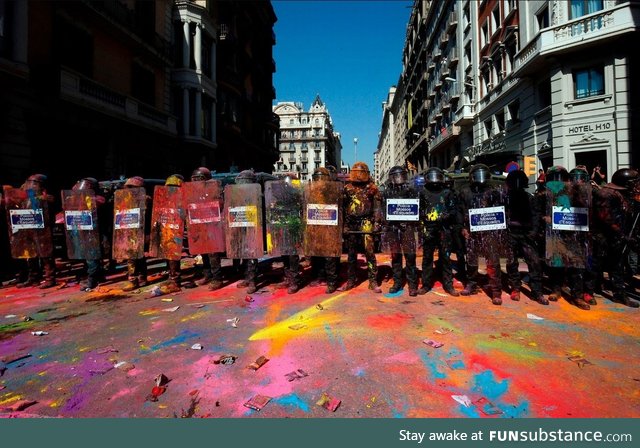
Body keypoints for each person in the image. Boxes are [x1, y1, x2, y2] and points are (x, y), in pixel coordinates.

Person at [458, 164, 507, 305]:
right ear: (471, 177)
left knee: (493, 260)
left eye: (482, 175)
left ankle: (496, 291)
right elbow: (461, 211)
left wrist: (499, 228)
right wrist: (463, 227)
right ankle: (471, 283)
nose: (480, 178)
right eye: (477, 175)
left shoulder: (495, 191)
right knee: (472, 260)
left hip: (490, 230)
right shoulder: (465, 191)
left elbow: (501, 210)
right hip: (472, 230)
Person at [591, 168, 639, 308]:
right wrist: (622, 235)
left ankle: (619, 294)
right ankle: (591, 291)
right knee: (596, 265)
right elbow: (605, 218)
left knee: (617, 266)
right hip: (602, 237)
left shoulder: (624, 194)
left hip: (617, 237)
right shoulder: (606, 194)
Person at [504, 170, 546, 305]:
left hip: (526, 234)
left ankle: (537, 292)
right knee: (511, 262)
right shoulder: (505, 199)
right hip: (510, 233)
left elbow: (536, 216)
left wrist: (533, 232)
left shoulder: (529, 198)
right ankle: (515, 288)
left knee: (534, 263)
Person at [342, 161, 382, 292]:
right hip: (352, 222)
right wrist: (344, 225)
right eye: (356, 173)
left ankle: (373, 280)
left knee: (370, 252)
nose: (359, 176)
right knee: (351, 253)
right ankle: (351, 280)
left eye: (361, 173)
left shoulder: (372, 188)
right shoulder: (347, 188)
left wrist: (376, 223)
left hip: (366, 222)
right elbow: (343, 208)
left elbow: (377, 208)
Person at [418, 167, 458, 296]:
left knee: (445, 258)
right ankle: (426, 284)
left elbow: (453, 210)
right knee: (427, 258)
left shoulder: (447, 192)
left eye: (437, 176)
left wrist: (445, 216)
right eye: (432, 177)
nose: (434, 180)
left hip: (444, 229)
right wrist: (424, 218)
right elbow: (418, 210)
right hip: (428, 229)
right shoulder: (423, 192)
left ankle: (448, 285)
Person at [13, 174, 57, 289]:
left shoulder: (46, 195)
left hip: (42, 227)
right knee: (30, 253)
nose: (30, 186)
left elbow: (50, 201)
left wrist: (42, 198)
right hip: (27, 225)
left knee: (45, 254)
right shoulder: (26, 195)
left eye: (34, 183)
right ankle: (33, 278)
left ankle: (50, 278)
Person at [383, 166, 419, 296]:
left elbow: (417, 209)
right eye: (396, 176)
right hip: (393, 229)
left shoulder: (411, 190)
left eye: (400, 176)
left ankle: (412, 285)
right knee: (396, 256)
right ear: (391, 178)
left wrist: (411, 222)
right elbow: (383, 210)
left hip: (408, 228)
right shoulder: (387, 192)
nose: (398, 179)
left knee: (410, 256)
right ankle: (397, 282)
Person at [190, 167, 226, 291]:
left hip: (212, 224)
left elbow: (220, 205)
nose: (196, 182)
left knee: (213, 253)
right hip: (199, 224)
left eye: (199, 179)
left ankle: (217, 278)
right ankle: (207, 275)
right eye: (194, 179)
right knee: (203, 250)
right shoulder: (193, 192)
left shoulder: (214, 189)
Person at [120, 176, 151, 291]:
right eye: (129, 187)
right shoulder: (123, 199)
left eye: (133, 187)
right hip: (129, 231)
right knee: (133, 257)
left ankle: (137, 279)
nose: (130, 190)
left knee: (137, 257)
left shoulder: (145, 199)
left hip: (140, 231)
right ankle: (137, 279)